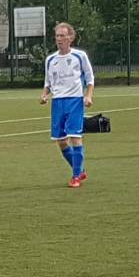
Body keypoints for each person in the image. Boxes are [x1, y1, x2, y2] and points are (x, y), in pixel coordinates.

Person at [40, 23, 95, 188]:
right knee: (61, 141)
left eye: (63, 36)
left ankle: (76, 176)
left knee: (75, 137)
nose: (59, 39)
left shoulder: (80, 56)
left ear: (71, 38)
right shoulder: (50, 60)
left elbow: (90, 78)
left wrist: (88, 96)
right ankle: (80, 169)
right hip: (58, 102)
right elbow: (48, 83)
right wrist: (44, 94)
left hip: (75, 101)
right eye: (57, 36)